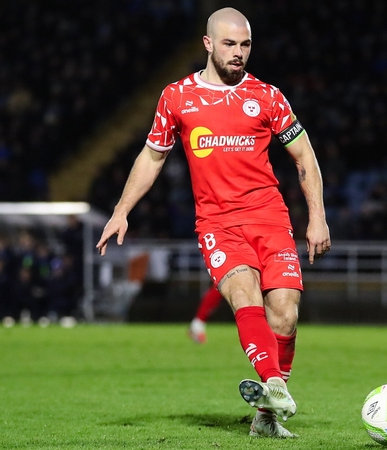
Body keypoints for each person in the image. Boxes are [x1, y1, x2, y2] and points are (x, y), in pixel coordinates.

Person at [95, 7, 330, 438]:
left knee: (286, 316)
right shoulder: (177, 97)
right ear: (208, 44)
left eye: (245, 45)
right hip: (218, 223)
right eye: (229, 44)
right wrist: (121, 210)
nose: (239, 53)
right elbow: (152, 156)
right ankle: (274, 384)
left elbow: (304, 156)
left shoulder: (269, 96)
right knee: (244, 293)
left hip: (271, 218)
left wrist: (317, 216)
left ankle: (266, 418)